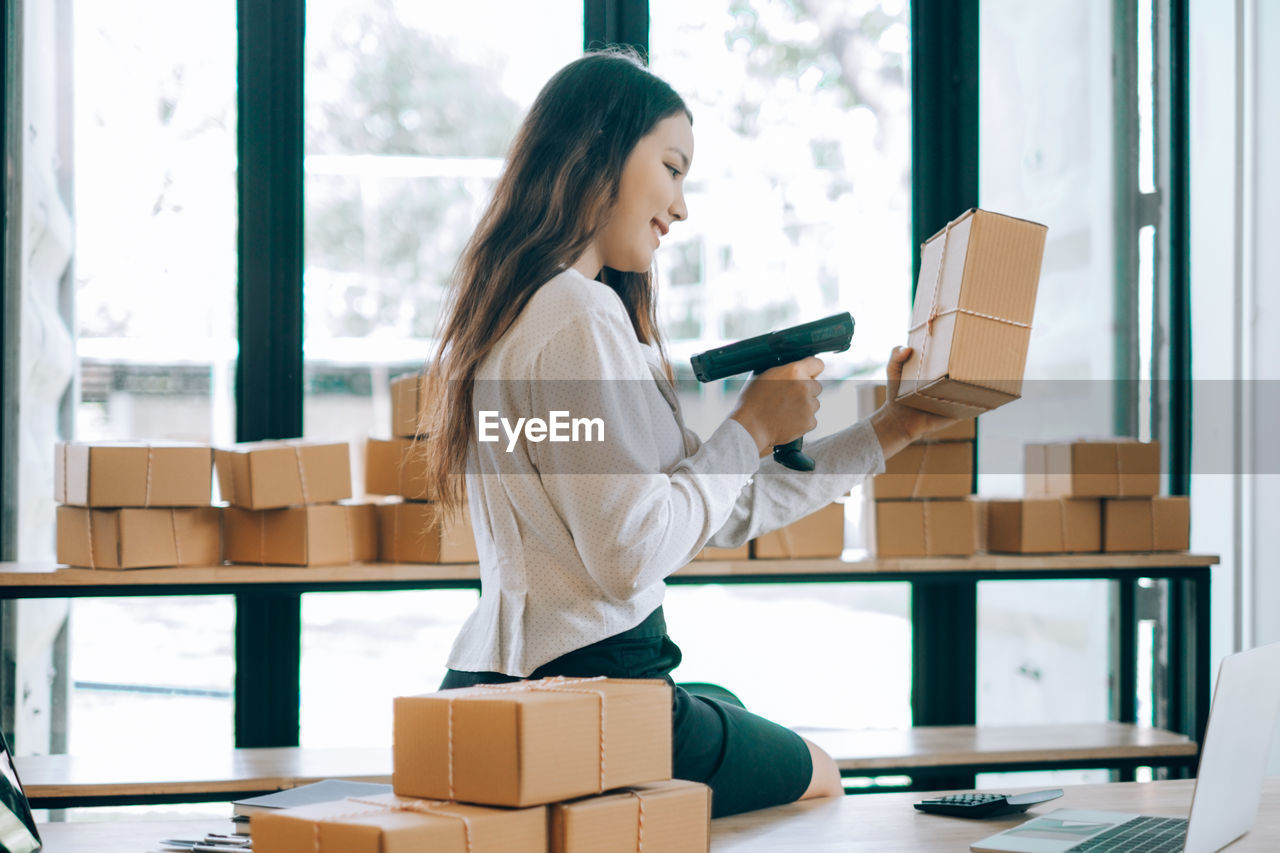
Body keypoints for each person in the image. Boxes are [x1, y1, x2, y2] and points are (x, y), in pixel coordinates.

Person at [419, 48, 956, 818]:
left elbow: (719, 508)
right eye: (672, 168)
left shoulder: (511, 312)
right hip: (595, 690)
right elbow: (628, 556)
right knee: (822, 773)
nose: (680, 204)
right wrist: (749, 425)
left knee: (725, 701)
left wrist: (895, 426)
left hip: (484, 682)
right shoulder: (581, 313)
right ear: (598, 148)